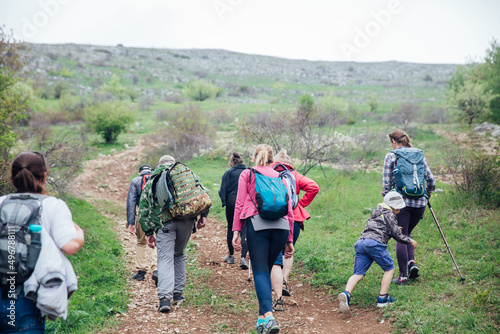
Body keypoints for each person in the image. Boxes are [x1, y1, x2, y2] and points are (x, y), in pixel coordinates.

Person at [0, 151, 84, 333]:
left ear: (13, 178)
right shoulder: (53, 205)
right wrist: (80, 233)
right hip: (26, 298)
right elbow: (70, 246)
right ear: (44, 176)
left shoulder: (1, 203)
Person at [232, 144, 295, 334]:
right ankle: (261, 320)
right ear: (271, 158)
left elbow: (239, 204)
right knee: (266, 270)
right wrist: (290, 239)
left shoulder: (248, 174)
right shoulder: (281, 176)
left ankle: (269, 316)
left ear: (254, 157)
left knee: (259, 270)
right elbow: (289, 208)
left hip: (257, 226)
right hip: (281, 228)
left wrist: (236, 231)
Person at [138, 155, 208, 313]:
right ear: (173, 163)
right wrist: (203, 216)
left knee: (164, 258)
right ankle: (178, 295)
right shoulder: (187, 174)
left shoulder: (153, 180)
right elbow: (201, 194)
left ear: (160, 165)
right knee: (179, 255)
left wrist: (149, 232)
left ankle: (164, 299)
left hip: (165, 224)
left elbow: (144, 209)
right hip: (187, 222)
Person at [338, 191, 417, 314]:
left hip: (362, 242)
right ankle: (382, 299)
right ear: (393, 207)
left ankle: (346, 294)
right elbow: (397, 235)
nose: (400, 210)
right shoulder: (389, 214)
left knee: (358, 273)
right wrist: (410, 241)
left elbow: (372, 227)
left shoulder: (375, 212)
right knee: (389, 269)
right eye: (398, 207)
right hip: (375, 244)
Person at [382, 130, 435, 285]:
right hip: (420, 203)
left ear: (393, 141)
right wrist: (428, 194)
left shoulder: (391, 155)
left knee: (401, 236)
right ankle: (412, 263)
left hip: (401, 204)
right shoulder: (419, 154)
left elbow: (386, 184)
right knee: (407, 233)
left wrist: (388, 200)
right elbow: (431, 180)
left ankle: (403, 277)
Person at [269, 149, 319, 311]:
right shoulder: (294, 175)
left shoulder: (269, 172)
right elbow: (313, 187)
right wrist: (300, 204)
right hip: (294, 217)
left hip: (275, 217)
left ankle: (276, 286)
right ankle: (283, 279)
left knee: (275, 253)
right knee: (288, 251)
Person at [126, 164, 158, 283]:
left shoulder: (135, 181)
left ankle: (141, 272)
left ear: (140, 173)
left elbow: (131, 203)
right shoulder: (157, 179)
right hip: (156, 216)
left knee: (141, 242)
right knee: (158, 241)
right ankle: (156, 269)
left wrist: (131, 222)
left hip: (142, 216)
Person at [218, 152, 248, 268]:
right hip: (245, 201)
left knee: (231, 227)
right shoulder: (248, 172)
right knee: (245, 228)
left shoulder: (228, 173)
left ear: (232, 163)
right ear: (242, 162)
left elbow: (222, 191)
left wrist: (224, 202)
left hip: (231, 200)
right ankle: (243, 258)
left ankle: (231, 256)